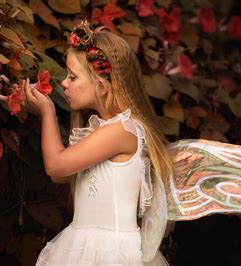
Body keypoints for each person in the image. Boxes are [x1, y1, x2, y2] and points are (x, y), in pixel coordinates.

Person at [23, 20, 172, 265]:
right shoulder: (106, 129)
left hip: (109, 252)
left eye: (72, 77)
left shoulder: (121, 130)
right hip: (87, 244)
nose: (64, 83)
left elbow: (55, 166)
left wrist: (47, 113)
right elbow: (61, 175)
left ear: (101, 86)